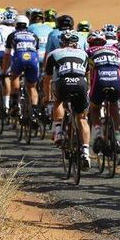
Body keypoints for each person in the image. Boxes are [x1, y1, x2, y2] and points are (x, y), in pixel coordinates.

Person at [44, 30, 92, 169]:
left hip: (63, 83)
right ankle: (85, 151)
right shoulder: (84, 54)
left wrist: (47, 97)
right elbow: (87, 75)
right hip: (81, 84)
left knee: (58, 101)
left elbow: (47, 78)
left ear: (62, 42)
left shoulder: (54, 53)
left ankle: (58, 130)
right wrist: (86, 92)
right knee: (82, 118)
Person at [85, 30, 120, 155]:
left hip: (100, 82)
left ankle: (98, 133)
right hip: (116, 82)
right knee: (114, 106)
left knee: (95, 107)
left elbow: (89, 73)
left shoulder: (89, 52)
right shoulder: (115, 50)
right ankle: (117, 137)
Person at [2, 15, 41, 120]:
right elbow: (37, 53)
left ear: (16, 24)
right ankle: (34, 111)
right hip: (33, 59)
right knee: (32, 86)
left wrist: (4, 70)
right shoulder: (34, 35)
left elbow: (7, 54)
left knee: (14, 76)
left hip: (19, 58)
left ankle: (14, 103)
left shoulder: (12, 35)